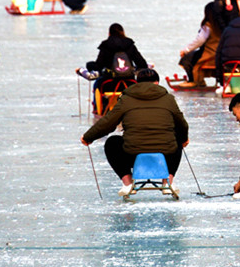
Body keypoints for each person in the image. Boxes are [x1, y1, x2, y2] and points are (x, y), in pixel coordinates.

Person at [81, 68, 189, 196]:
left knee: (112, 142)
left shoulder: (126, 99)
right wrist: (184, 139)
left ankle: (127, 183)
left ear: (137, 83)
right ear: (157, 83)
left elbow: (108, 123)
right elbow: (181, 124)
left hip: (132, 153)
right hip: (165, 153)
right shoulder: (168, 99)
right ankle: (168, 181)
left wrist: (88, 137)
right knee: (177, 139)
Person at [179, 3, 221, 86]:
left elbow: (200, 40)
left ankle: (194, 80)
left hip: (209, 54)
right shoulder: (223, 26)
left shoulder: (208, 26)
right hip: (220, 53)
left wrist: (186, 50)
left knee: (186, 59)